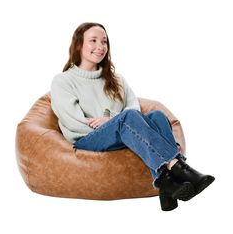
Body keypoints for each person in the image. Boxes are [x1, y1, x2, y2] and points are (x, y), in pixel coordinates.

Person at [51, 22, 215, 211]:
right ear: (79, 45)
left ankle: (166, 185)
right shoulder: (63, 81)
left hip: (120, 132)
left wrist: (111, 120)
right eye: (93, 41)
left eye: (104, 41)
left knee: (158, 117)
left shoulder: (116, 79)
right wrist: (114, 122)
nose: (100, 47)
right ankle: (179, 167)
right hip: (87, 138)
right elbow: (74, 121)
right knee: (128, 118)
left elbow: (133, 107)